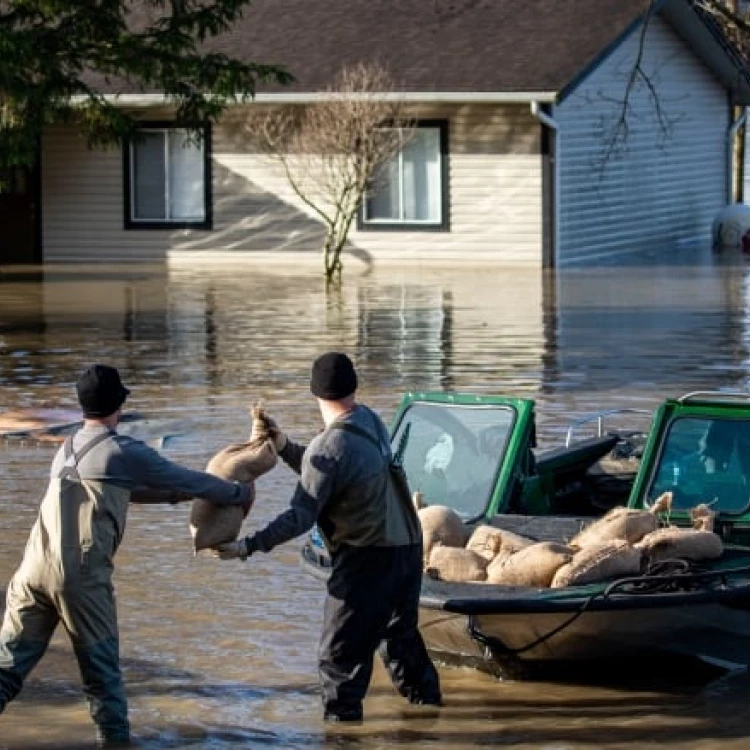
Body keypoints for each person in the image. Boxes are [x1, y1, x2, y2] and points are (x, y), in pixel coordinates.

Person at [0, 364, 252, 748]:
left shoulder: (67, 448)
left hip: (32, 572)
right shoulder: (124, 450)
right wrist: (237, 494)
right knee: (102, 676)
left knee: (8, 668)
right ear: (118, 404)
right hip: (80, 579)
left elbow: (128, 490)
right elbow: (182, 477)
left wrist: (177, 496)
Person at [217, 351, 441, 722]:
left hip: (367, 560)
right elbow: (336, 471)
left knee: (338, 660)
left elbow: (300, 515)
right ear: (353, 386)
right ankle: (429, 722)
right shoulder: (369, 419)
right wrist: (286, 446)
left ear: (315, 393)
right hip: (406, 550)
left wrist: (248, 546)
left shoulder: (329, 447)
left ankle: (342, 736)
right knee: (399, 642)